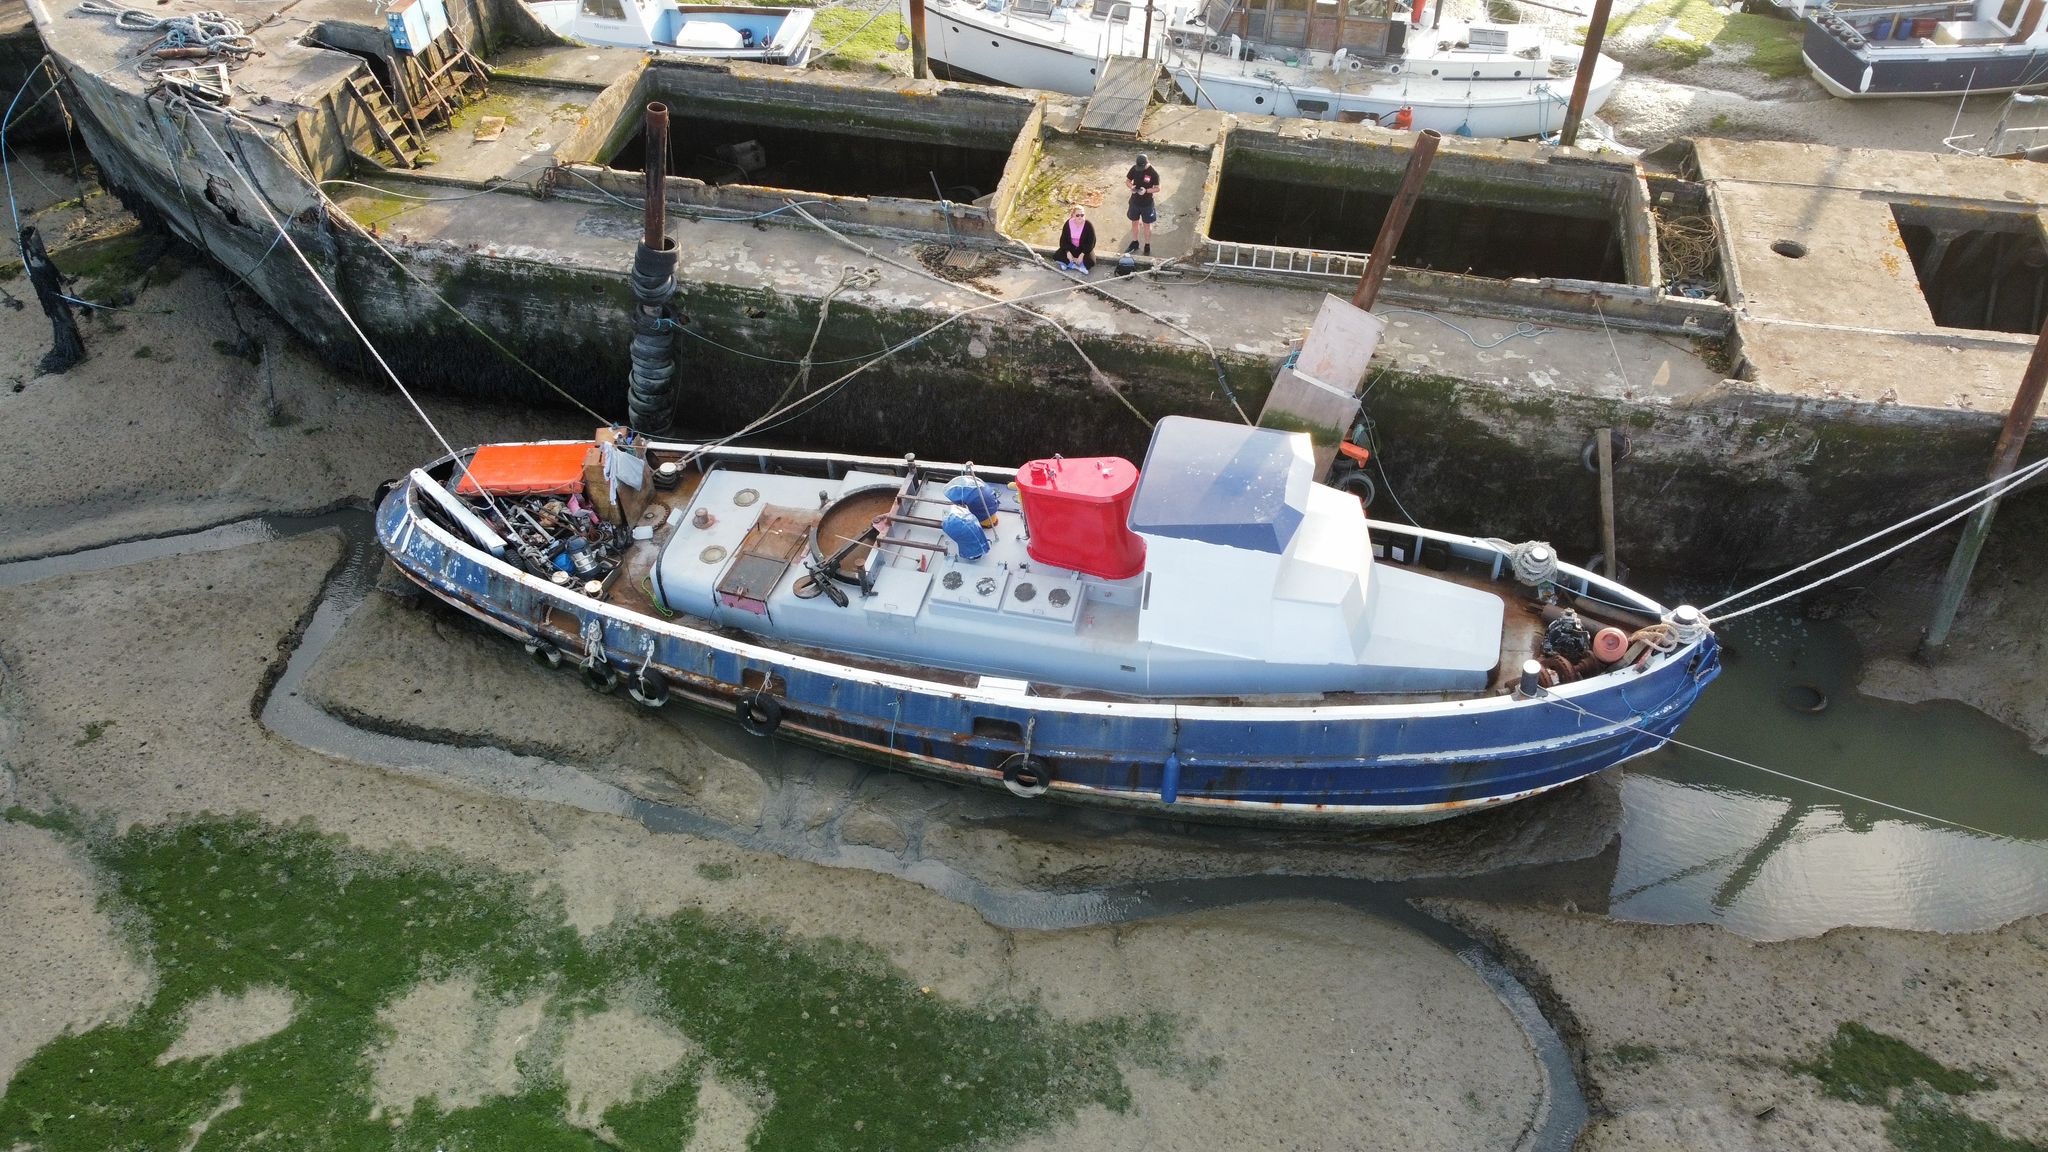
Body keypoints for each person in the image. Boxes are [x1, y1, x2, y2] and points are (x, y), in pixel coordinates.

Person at [1125, 153, 1160, 256]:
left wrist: (1146, 190)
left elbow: (1158, 188)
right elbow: (1127, 181)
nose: (1140, 168)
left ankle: (1147, 245)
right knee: (1134, 222)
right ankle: (1135, 242)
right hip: (1135, 202)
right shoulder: (1134, 168)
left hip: (1147, 204)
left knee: (1147, 225)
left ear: (1147, 163)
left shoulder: (1153, 173)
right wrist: (1132, 187)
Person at [1053, 205, 1096, 273]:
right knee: (1056, 256)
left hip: (1083, 249)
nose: (1080, 217)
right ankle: (1074, 265)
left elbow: (1091, 242)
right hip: (1071, 247)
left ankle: (1069, 264)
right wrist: (1068, 252)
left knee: (1091, 261)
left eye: (1082, 215)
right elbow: (1063, 239)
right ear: (1073, 215)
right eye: (1077, 215)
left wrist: (1082, 255)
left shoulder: (1088, 225)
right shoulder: (1068, 223)